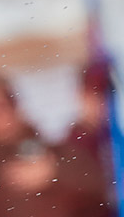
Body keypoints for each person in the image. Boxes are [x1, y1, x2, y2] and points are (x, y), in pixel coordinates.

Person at [0, 73, 64, 217]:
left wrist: (54, 174)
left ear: (15, 105)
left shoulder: (57, 154)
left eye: (2, 105)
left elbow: (94, 188)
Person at [51, 61, 119, 216]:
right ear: (81, 96)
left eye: (107, 96)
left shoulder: (120, 140)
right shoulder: (71, 145)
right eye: (94, 94)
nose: (101, 103)